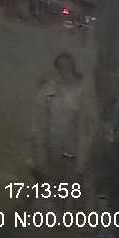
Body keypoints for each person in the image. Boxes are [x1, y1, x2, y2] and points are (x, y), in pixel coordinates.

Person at [28, 52, 96, 210]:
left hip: (75, 151)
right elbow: (38, 123)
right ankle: (58, 211)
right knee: (55, 187)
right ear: (57, 70)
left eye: (68, 67)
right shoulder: (48, 92)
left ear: (73, 68)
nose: (65, 71)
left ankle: (71, 212)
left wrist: (86, 150)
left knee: (74, 189)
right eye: (61, 67)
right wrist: (38, 151)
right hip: (53, 150)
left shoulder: (83, 93)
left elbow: (90, 124)